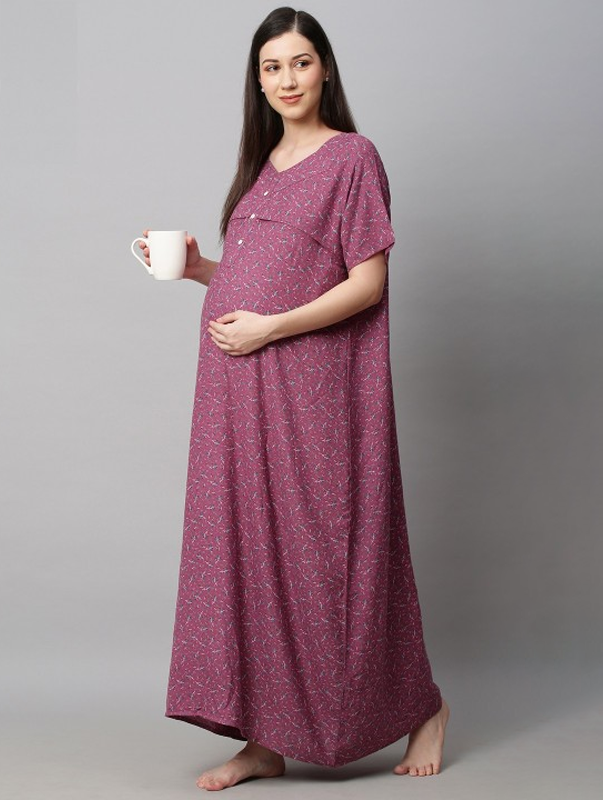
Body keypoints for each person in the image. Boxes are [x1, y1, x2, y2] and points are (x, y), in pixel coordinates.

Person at [137, 6, 449, 792]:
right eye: (271, 67)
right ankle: (263, 741)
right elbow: (261, 280)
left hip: (310, 393)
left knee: (327, 553)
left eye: (300, 63)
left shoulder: (353, 157)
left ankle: (424, 704)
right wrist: (200, 270)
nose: (287, 80)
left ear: (326, 69)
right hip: (236, 396)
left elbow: (367, 283)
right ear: (258, 80)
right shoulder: (263, 165)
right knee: (247, 554)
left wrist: (270, 329)